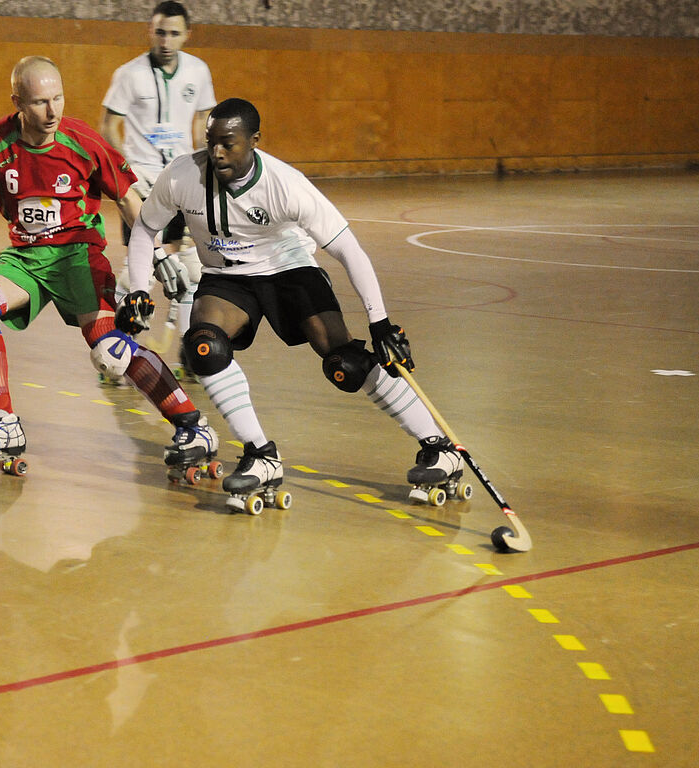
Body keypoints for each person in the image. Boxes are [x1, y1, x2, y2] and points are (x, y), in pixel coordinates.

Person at [122, 98, 464, 508]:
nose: (216, 152)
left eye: (228, 143)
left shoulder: (286, 184)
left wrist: (380, 323)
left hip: (288, 269)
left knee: (346, 364)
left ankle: (438, 446)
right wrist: (139, 288)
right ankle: (260, 454)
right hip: (227, 277)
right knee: (204, 347)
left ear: (254, 141)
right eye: (211, 142)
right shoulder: (182, 175)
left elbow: (348, 249)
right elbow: (144, 228)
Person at [0, 56, 217, 474]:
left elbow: (127, 197)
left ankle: (193, 427)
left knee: (111, 355)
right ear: (17, 102)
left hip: (77, 256)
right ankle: (1, 423)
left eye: (58, 98)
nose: (52, 111)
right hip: (26, 258)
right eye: (40, 102)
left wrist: (155, 253)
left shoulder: (82, 141)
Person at [99, 0, 216, 379]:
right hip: (143, 183)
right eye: (160, 32)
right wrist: (127, 174)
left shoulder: (198, 71)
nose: (166, 41)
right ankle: (115, 350)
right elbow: (108, 127)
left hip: (182, 182)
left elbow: (202, 123)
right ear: (150, 30)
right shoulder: (128, 74)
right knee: (140, 272)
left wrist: (201, 170)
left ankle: (190, 356)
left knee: (190, 271)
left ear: (187, 35)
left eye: (174, 33)